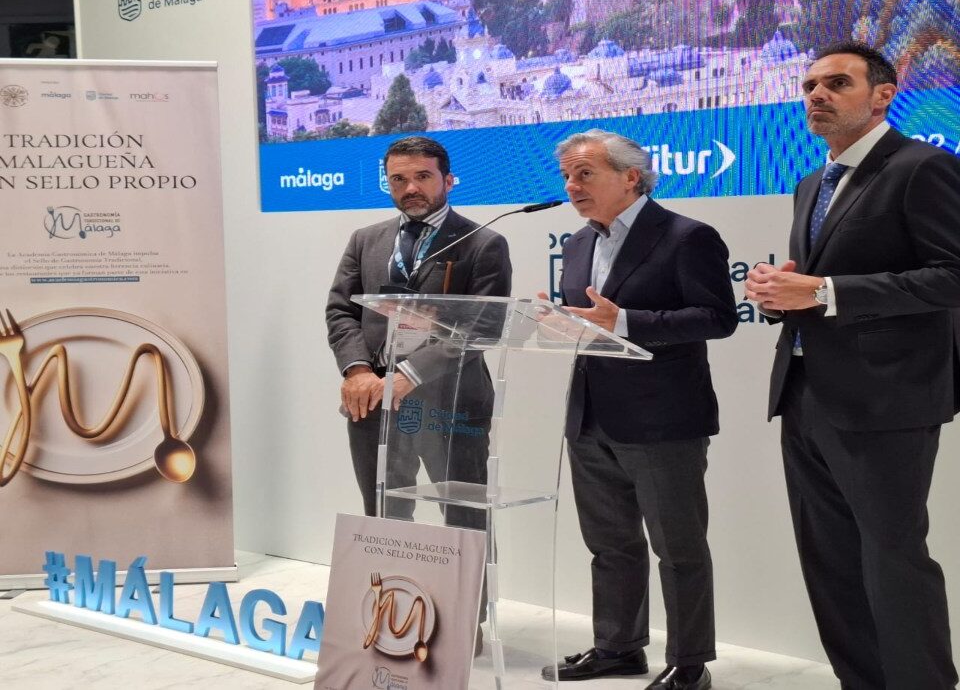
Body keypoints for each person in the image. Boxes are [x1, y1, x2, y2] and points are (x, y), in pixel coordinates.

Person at [745, 41, 960, 689]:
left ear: (883, 95)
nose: (817, 94)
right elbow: (816, 285)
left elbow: (951, 277)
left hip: (887, 398)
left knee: (894, 560)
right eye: (810, 85)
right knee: (830, 562)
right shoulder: (812, 183)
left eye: (837, 83)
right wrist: (781, 295)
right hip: (804, 391)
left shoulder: (922, 167)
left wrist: (825, 292)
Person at [541, 129, 737, 690]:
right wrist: (560, 325)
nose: (571, 185)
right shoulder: (578, 244)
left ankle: (689, 664)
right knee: (610, 544)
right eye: (567, 175)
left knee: (678, 549)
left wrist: (625, 321)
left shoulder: (686, 236)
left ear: (630, 177)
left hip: (663, 420)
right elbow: (592, 325)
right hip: (590, 417)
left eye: (584, 173)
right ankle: (619, 648)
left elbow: (717, 318)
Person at [326, 135, 511, 525]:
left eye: (423, 176)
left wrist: (410, 374)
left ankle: (467, 574)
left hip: (451, 401)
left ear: (448, 180)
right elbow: (341, 311)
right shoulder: (365, 240)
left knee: (465, 523)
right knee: (384, 518)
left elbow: (484, 326)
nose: (410, 188)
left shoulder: (483, 243)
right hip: (373, 398)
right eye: (398, 179)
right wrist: (357, 371)